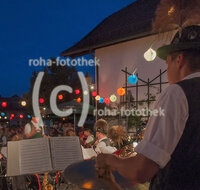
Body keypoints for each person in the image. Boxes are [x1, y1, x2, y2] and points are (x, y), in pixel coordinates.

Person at [96, 25, 200, 190]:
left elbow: (141, 170)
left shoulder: (177, 93)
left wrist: (109, 160)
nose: (167, 72)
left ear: (179, 60)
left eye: (167, 64)